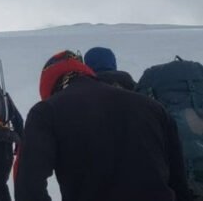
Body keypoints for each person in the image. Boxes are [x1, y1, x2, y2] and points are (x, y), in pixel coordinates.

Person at [15, 50, 193, 201]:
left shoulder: (47, 111)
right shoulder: (153, 107)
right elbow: (179, 182)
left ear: (49, 87)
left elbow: (29, 186)